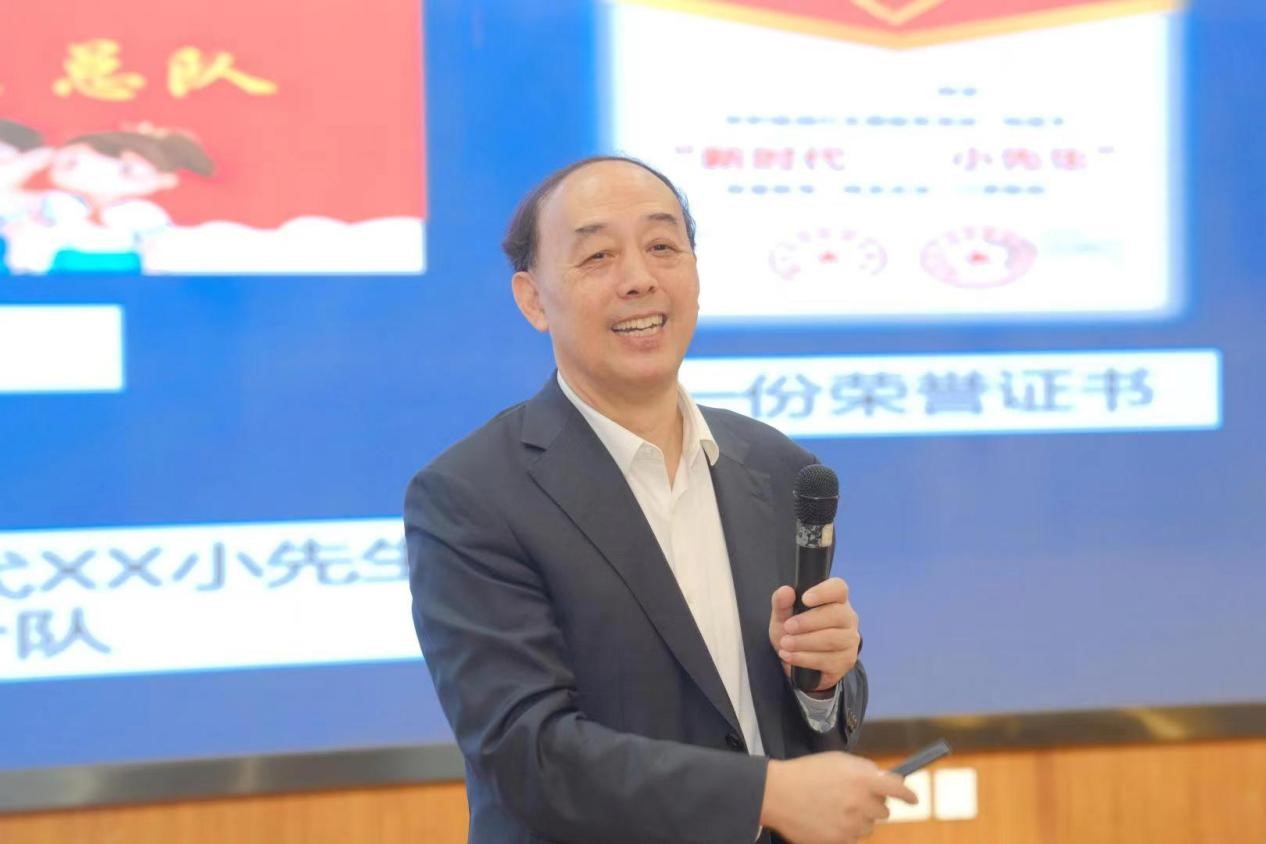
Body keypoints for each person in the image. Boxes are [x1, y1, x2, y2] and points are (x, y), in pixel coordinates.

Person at [405, 156, 916, 843]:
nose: (639, 279)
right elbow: (528, 753)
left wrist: (821, 682)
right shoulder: (471, 495)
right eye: (597, 256)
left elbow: (795, 726)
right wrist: (764, 794)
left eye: (662, 246)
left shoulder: (777, 467)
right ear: (533, 299)